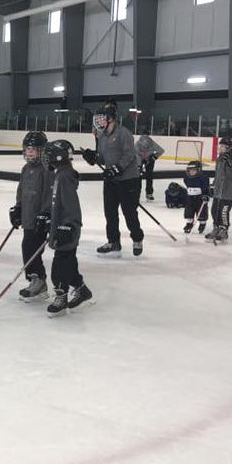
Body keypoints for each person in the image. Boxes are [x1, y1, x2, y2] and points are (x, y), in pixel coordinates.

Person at [82, 100, 144, 257]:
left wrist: (117, 169)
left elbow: (129, 155)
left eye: (101, 118)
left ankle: (137, 238)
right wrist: (93, 158)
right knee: (110, 213)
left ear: (110, 118)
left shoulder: (124, 133)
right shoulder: (101, 136)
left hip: (128, 180)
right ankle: (113, 242)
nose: (98, 121)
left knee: (129, 212)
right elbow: (103, 159)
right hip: (111, 180)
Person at [43, 140, 93, 317]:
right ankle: (82, 290)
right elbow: (58, 203)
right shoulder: (60, 174)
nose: (46, 158)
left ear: (58, 157)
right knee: (69, 264)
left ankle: (61, 297)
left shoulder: (64, 177)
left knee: (59, 266)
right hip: (62, 227)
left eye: (48, 155)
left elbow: (71, 206)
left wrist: (67, 226)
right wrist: (49, 218)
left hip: (67, 229)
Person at [10, 131, 53, 302]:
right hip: (28, 216)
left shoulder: (47, 170)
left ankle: (38, 280)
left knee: (31, 248)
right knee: (28, 248)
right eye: (27, 149)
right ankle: (36, 280)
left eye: (33, 149)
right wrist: (18, 208)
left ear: (42, 150)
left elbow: (49, 194)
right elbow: (21, 191)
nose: (29, 152)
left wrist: (45, 214)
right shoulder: (26, 169)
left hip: (39, 219)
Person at [205, 137, 232, 242]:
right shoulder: (220, 158)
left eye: (223, 146)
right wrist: (213, 185)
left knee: (223, 212)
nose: (220, 148)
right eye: (220, 146)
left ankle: (224, 230)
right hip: (218, 191)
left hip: (228, 192)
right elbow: (218, 174)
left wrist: (229, 162)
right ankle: (216, 228)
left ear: (230, 148)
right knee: (214, 210)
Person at [135, 134, 164, 201]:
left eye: (147, 147)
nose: (145, 149)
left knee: (149, 175)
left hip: (149, 158)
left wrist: (154, 156)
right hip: (140, 158)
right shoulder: (137, 145)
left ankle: (149, 193)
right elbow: (136, 156)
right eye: (143, 148)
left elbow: (161, 150)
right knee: (138, 176)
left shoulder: (152, 143)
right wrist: (139, 166)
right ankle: (137, 193)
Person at [182, 161, 209, 234]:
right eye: (190, 170)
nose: (191, 172)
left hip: (200, 198)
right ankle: (189, 223)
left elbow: (205, 188)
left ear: (199, 170)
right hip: (190, 198)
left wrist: (205, 195)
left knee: (202, 212)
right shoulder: (186, 178)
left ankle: (202, 223)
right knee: (189, 211)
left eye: (193, 170)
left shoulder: (203, 178)